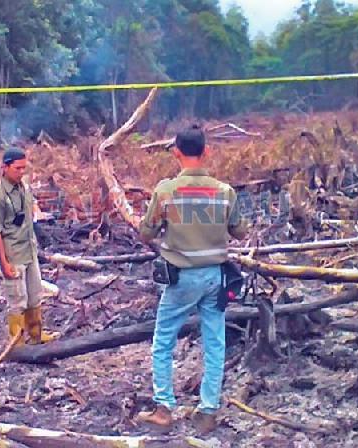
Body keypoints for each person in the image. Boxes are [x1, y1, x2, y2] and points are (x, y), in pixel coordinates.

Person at [136, 125, 248, 433]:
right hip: (216, 278)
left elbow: (147, 232)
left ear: (176, 152)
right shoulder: (225, 192)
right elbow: (240, 231)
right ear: (207, 151)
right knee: (215, 343)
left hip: (181, 279)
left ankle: (163, 409)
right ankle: (207, 411)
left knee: (163, 342)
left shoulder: (166, 190)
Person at [0, 148, 58, 345]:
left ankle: (36, 335)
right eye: (17, 168)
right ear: (5, 167)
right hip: (13, 254)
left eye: (24, 168)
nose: (21, 172)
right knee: (17, 301)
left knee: (35, 295)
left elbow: (30, 209)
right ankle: (16, 343)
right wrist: (4, 263)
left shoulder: (23, 187)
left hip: (29, 250)